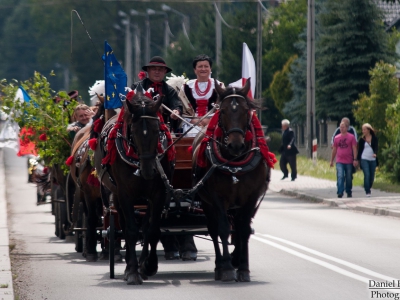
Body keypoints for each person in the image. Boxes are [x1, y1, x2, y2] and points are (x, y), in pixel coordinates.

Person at [131, 56, 182, 132]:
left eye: (160, 70)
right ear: (148, 70)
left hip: (163, 128)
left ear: (165, 71)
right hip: (140, 127)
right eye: (154, 69)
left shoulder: (170, 90)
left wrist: (176, 111)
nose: (157, 72)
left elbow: (176, 104)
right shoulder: (137, 87)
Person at [178, 54, 224, 136]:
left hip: (214, 123)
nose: (203, 69)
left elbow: (224, 108)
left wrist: (209, 120)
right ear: (195, 70)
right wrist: (193, 121)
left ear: (210, 69)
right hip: (191, 124)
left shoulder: (219, 86)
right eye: (200, 66)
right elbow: (181, 109)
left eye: (206, 66)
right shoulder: (186, 87)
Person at [330, 122, 358, 198]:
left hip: (349, 161)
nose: (341, 129)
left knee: (348, 177)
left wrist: (355, 159)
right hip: (339, 161)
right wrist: (332, 160)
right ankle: (340, 192)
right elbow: (334, 149)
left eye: (343, 127)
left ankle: (348, 191)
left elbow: (354, 148)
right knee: (340, 176)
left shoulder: (351, 137)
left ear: (346, 128)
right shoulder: (337, 138)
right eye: (340, 127)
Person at [357, 123, 378, 197]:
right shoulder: (362, 140)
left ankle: (368, 187)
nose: (363, 131)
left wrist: (375, 153)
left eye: (364, 129)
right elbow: (359, 150)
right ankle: (367, 191)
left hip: (372, 159)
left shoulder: (374, 138)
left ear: (369, 130)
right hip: (364, 159)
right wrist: (357, 160)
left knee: (371, 176)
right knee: (367, 174)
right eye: (362, 130)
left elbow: (376, 147)